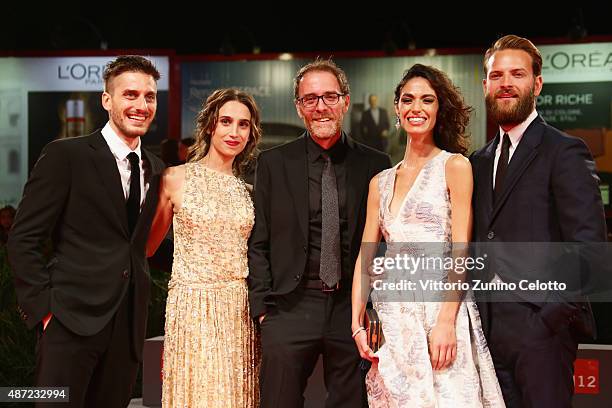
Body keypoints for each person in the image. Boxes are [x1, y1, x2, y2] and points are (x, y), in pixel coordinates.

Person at [7, 55, 165, 407]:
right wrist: (45, 311)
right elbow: (24, 238)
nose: (141, 105)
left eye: (149, 97)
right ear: (107, 100)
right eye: (130, 95)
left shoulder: (156, 168)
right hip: (69, 321)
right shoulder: (66, 155)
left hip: (126, 328)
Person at [351, 64, 505, 407]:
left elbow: (461, 251)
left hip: (439, 311)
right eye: (408, 99)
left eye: (427, 100)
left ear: (439, 109)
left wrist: (446, 322)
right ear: (397, 107)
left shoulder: (455, 166)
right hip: (393, 319)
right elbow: (366, 258)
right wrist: (357, 325)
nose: (416, 108)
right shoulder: (381, 181)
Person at [471, 35, 606, 407]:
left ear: (538, 84)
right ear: (485, 86)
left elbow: (589, 249)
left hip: (542, 333)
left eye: (517, 74)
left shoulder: (565, 151)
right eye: (496, 76)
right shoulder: (476, 162)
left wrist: (548, 319)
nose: (506, 83)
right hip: (484, 334)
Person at [248, 58, 391, 407]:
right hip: (289, 307)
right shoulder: (273, 163)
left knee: (352, 402)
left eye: (329, 96)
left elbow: (384, 244)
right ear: (299, 107)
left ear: (345, 101)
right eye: (310, 99)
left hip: (351, 309)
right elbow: (259, 240)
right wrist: (264, 309)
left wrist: (373, 306)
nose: (321, 107)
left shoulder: (376, 165)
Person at [147, 88, 262, 408]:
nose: (234, 132)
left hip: (239, 309)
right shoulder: (174, 178)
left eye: (243, 125)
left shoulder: (249, 191)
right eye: (226, 121)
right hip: (192, 305)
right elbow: (148, 247)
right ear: (211, 125)